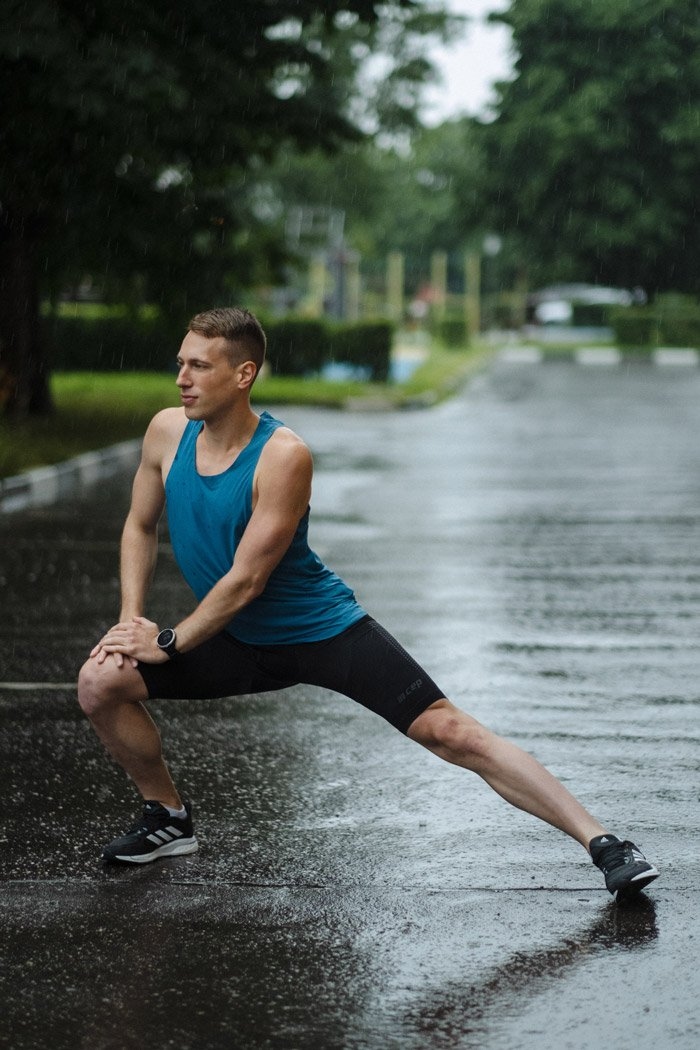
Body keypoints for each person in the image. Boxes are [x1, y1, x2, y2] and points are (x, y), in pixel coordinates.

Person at [78, 306, 659, 900]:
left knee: (450, 731)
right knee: (100, 681)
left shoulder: (282, 455)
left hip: (318, 631)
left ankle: (606, 845)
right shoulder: (166, 432)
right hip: (230, 637)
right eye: (181, 363)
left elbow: (247, 580)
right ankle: (168, 818)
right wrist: (131, 622)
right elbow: (140, 525)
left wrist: (169, 641)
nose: (182, 378)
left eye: (199, 366)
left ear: (244, 373)